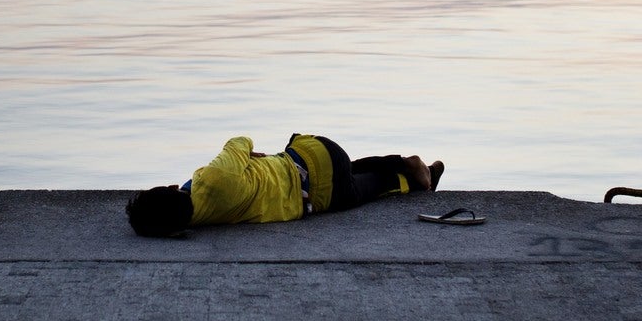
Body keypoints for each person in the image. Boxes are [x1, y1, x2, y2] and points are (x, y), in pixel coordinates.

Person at [126, 132, 444, 237]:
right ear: (168, 188)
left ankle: (415, 173)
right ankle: (411, 167)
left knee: (362, 187)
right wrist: (249, 155)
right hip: (314, 153)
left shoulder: (200, 220)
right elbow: (239, 140)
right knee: (357, 178)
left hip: (317, 196)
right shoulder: (213, 178)